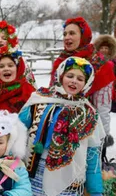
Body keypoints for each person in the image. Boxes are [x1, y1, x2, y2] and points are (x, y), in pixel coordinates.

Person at [20, 56, 105, 196]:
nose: (74, 81)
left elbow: (92, 157)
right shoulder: (40, 100)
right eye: (70, 75)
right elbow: (16, 132)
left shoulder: (89, 114)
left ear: (86, 83)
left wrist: (96, 192)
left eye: (80, 79)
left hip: (70, 180)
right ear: (60, 76)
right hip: (34, 174)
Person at [50, 17, 115, 162]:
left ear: (84, 35)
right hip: (59, 132)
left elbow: (103, 109)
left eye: (72, 33)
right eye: (65, 34)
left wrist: (102, 139)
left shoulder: (100, 65)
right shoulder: (61, 62)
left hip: (87, 133)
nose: (67, 37)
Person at [0, 47, 35, 113]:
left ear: (18, 68)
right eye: (1, 66)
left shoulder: (29, 93)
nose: (6, 69)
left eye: (10, 65)